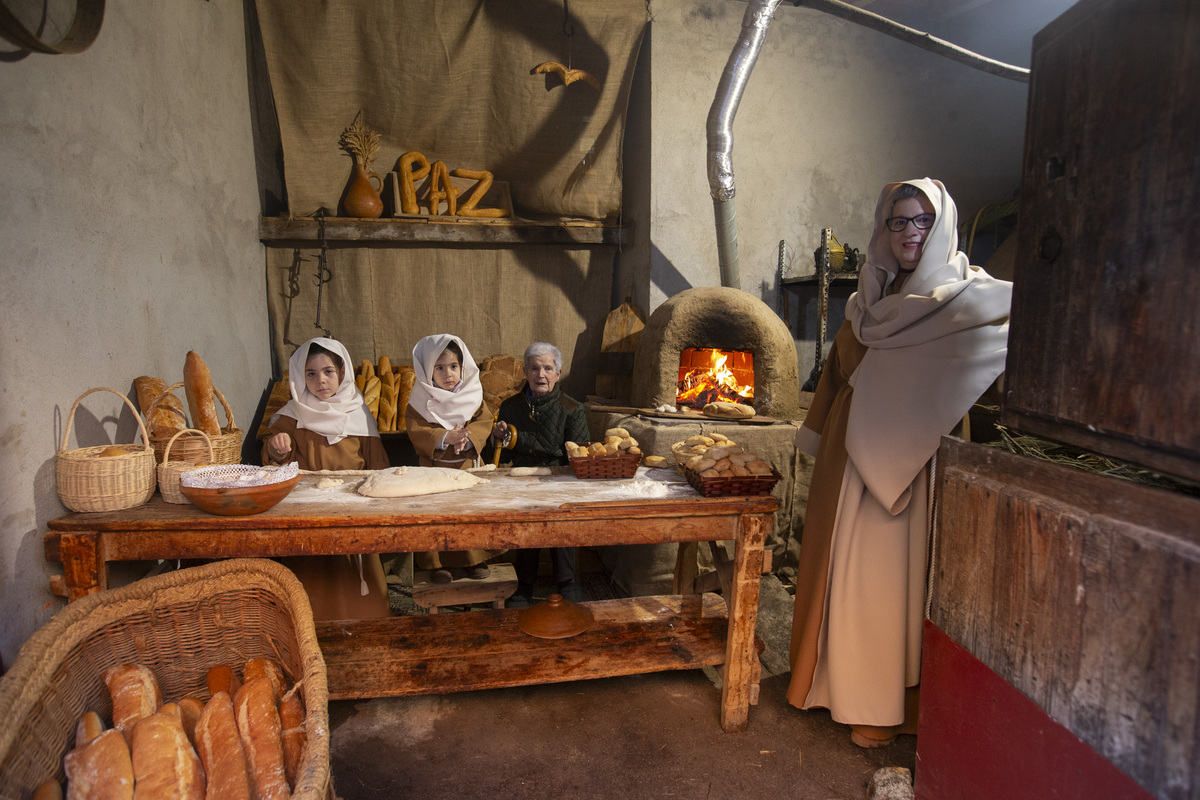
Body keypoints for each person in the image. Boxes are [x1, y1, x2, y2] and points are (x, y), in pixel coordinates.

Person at [786, 179, 1012, 747]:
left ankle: (881, 709)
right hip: (847, 460)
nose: (910, 233)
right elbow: (837, 373)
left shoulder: (969, 298)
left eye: (922, 222)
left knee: (885, 587)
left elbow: (991, 355)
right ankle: (829, 687)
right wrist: (814, 438)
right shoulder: (868, 301)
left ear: (942, 227)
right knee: (839, 573)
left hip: (912, 461)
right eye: (898, 221)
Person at [262, 336, 392, 620]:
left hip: (353, 509)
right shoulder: (293, 414)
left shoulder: (359, 413)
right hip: (309, 511)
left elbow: (378, 463)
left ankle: (368, 623)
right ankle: (312, 626)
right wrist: (277, 447)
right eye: (311, 373)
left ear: (342, 373)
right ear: (300, 376)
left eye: (328, 372)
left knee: (358, 578)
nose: (320, 380)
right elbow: (274, 456)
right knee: (315, 576)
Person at [491, 342, 590, 606]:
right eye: (534, 368)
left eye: (548, 368)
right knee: (527, 519)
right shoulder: (510, 407)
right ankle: (523, 585)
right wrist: (498, 438)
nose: (540, 374)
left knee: (561, 516)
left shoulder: (572, 409)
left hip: (561, 479)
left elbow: (579, 457)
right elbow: (506, 459)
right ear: (525, 371)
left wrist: (518, 438)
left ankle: (567, 582)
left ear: (558, 374)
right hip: (522, 481)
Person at [405, 333, 504, 583]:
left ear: (462, 367)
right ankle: (437, 564)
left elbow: (484, 421)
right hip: (434, 471)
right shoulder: (419, 400)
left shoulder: (472, 394)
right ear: (428, 370)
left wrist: (468, 438)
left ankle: (473, 559)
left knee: (468, 514)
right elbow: (415, 428)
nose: (448, 374)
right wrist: (444, 438)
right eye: (439, 368)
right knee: (437, 518)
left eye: (453, 367)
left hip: (466, 467)